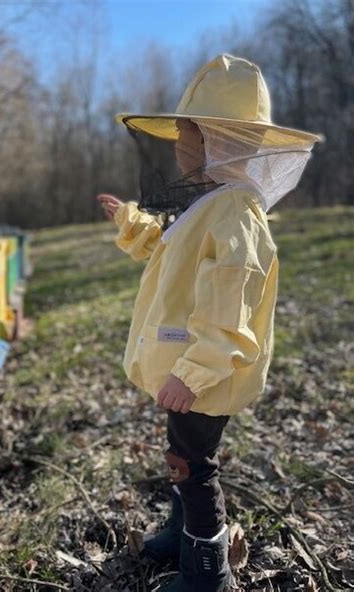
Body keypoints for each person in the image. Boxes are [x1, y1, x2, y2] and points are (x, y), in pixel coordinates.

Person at [97, 54, 322, 592]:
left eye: (184, 136)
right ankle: (181, 535)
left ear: (217, 140)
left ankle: (208, 572)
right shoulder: (211, 202)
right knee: (185, 454)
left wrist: (193, 371)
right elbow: (169, 250)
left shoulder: (236, 212)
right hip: (191, 368)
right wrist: (129, 222)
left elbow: (229, 307)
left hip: (204, 371)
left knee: (192, 465)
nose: (176, 147)